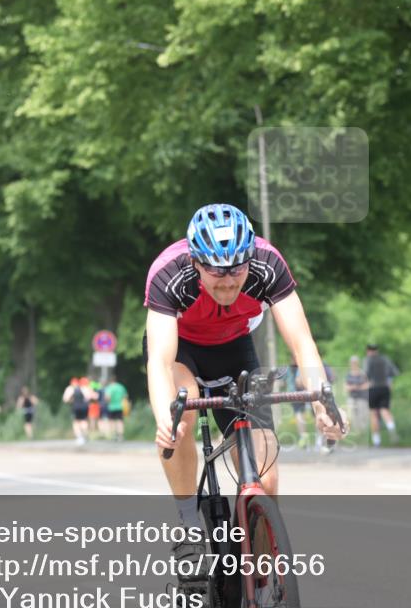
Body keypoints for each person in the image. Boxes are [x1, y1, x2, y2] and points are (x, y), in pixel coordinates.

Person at [143, 203, 345, 573]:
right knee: (181, 420)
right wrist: (164, 418)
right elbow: (159, 360)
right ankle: (190, 528)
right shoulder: (168, 272)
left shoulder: (268, 264)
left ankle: (260, 583)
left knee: (265, 477)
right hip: (180, 352)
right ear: (195, 263)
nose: (229, 281)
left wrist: (322, 402)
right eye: (216, 271)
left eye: (237, 268)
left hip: (234, 349)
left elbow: (302, 344)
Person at [364, 344, 399, 446]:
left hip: (373, 388)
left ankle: (376, 440)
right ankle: (391, 429)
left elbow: (366, 374)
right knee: (385, 410)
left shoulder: (367, 360)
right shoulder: (385, 359)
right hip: (385, 387)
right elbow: (393, 372)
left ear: (368, 351)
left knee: (374, 414)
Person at [63, 377, 94, 445]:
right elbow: (91, 397)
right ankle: (85, 435)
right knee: (84, 421)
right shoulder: (85, 388)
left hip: (75, 407)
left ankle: (79, 437)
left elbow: (65, 399)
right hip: (84, 407)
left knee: (76, 422)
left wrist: (72, 400)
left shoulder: (70, 388)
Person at [345, 355, 370, 436]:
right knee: (352, 415)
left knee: (362, 415)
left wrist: (359, 387)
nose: (353, 364)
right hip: (352, 397)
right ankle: (357, 432)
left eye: (355, 362)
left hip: (362, 397)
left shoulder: (362, 373)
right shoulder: (349, 374)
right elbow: (345, 387)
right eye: (352, 362)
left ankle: (363, 432)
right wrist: (352, 387)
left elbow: (367, 384)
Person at [104, 376, 128, 441]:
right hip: (120, 406)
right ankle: (120, 436)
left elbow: (107, 398)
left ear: (110, 381)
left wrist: (107, 401)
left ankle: (113, 435)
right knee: (120, 421)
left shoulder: (109, 388)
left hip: (111, 407)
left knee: (112, 421)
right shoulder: (121, 387)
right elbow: (125, 396)